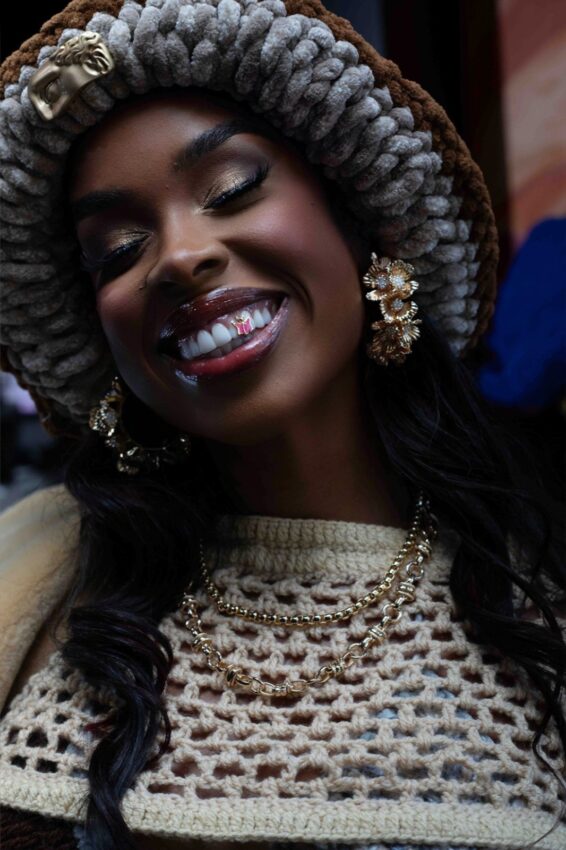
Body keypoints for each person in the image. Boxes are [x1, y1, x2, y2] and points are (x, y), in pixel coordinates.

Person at [0, 1, 564, 849]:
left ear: (363, 229)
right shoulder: (42, 573)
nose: (180, 256)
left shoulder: (537, 580)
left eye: (231, 190)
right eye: (117, 249)